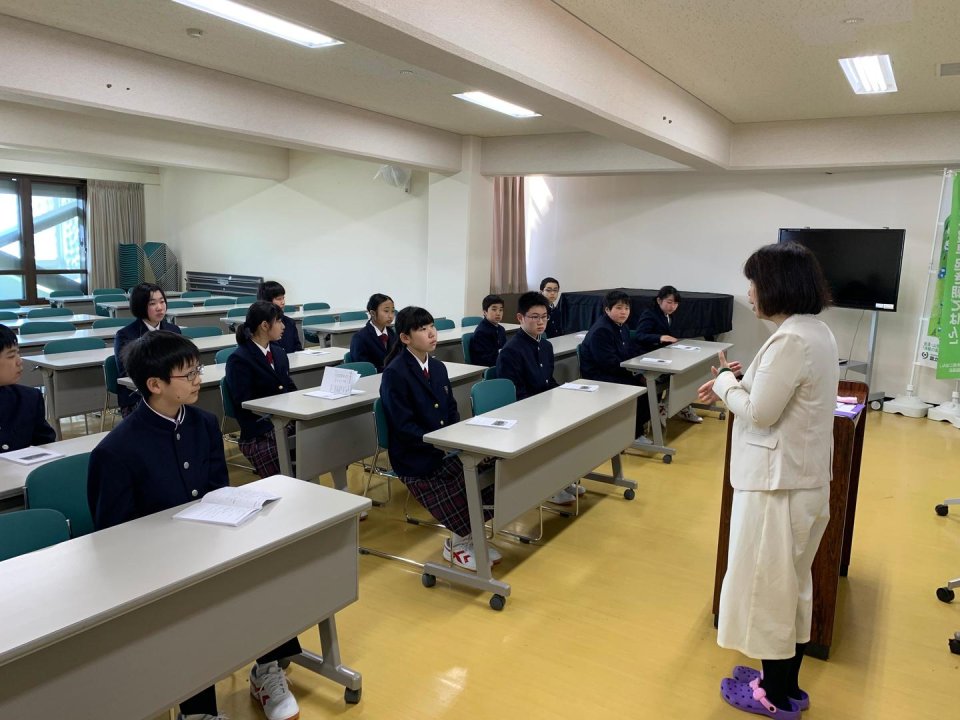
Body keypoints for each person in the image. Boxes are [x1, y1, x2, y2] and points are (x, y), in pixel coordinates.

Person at [87, 330, 301, 720]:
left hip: (209, 542)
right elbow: (112, 539)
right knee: (190, 610)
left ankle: (267, 670)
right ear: (155, 385)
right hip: (156, 566)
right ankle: (198, 708)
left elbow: (218, 490)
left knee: (266, 572)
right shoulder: (117, 450)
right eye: (188, 375)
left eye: (197, 370)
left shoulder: (203, 424)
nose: (198, 379)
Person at [698, 242, 837, 720]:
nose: (750, 294)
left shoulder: (790, 339)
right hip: (800, 481)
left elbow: (759, 413)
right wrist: (739, 380)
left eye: (754, 283)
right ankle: (784, 684)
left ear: (776, 285)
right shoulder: (812, 331)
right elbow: (781, 394)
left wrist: (726, 386)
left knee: (769, 589)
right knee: (789, 586)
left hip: (779, 486)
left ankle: (773, 697)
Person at [379, 306, 500, 572]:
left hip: (442, 448)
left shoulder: (437, 366)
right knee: (463, 482)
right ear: (405, 338)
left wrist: (455, 440)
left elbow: (451, 409)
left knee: (486, 472)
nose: (432, 333)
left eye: (431, 326)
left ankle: (464, 540)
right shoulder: (396, 373)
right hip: (415, 456)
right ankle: (459, 546)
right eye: (422, 329)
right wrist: (441, 443)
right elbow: (402, 425)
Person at [496, 292, 582, 505]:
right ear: (520, 318)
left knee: (574, 425)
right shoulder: (511, 351)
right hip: (522, 412)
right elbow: (515, 393)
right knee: (553, 430)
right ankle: (549, 486)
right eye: (534, 317)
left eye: (544, 316)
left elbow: (547, 381)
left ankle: (562, 479)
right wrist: (543, 409)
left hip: (540, 406)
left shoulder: (545, 346)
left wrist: (564, 394)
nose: (541, 322)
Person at [225, 301, 296, 479]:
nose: (283, 326)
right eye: (279, 321)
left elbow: (289, 387)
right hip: (259, 432)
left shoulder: (279, 353)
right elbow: (244, 405)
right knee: (286, 471)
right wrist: (276, 423)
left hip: (285, 423)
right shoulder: (239, 359)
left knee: (323, 438)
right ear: (265, 325)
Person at [577, 290, 652, 445]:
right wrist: (636, 374)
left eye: (626, 308)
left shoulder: (622, 327)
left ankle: (635, 428)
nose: (624, 312)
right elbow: (608, 363)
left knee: (648, 384)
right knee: (640, 389)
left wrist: (641, 367)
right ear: (607, 309)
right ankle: (633, 434)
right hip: (599, 376)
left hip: (616, 371)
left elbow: (629, 353)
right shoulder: (602, 330)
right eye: (618, 308)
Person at [636, 285, 703, 424]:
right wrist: (659, 337)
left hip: (664, 356)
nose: (673, 306)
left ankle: (673, 406)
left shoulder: (669, 316)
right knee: (679, 375)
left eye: (676, 303)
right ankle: (666, 407)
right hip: (649, 359)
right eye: (669, 302)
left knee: (689, 372)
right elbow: (640, 335)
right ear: (659, 300)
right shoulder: (650, 314)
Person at [114, 283, 182, 417]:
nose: (159, 307)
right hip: (138, 397)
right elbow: (126, 373)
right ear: (140, 305)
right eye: (152, 304)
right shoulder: (126, 335)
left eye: (162, 302)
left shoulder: (173, 331)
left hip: (171, 392)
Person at [0, 323, 56, 452]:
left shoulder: (29, 398)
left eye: (17, 353)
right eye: (11, 356)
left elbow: (46, 445)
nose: (20, 361)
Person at [349, 293, 396, 372]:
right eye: (386, 311)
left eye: (393, 311)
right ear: (373, 313)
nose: (391, 315)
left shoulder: (392, 334)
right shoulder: (360, 338)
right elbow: (363, 368)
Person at [257, 280, 302, 355]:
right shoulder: (259, 325)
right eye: (279, 299)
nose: (283, 302)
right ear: (267, 301)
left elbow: (297, 348)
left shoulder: (289, 322)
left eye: (283, 298)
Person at [469, 294, 506, 366]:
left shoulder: (501, 329)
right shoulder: (481, 332)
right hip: (488, 367)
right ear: (485, 312)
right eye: (494, 309)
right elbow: (484, 359)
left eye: (501, 310)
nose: (498, 313)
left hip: (500, 364)